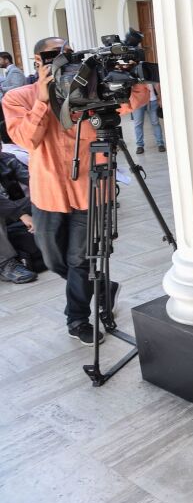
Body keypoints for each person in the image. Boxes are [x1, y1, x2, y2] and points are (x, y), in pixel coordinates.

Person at [2, 37, 148, 343]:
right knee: (54, 261)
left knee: (80, 261)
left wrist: (124, 72)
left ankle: (77, 319)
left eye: (67, 55)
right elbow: (27, 141)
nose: (62, 62)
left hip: (92, 190)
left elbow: (136, 98)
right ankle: (103, 287)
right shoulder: (18, 97)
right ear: (37, 62)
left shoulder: (91, 88)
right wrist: (43, 100)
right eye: (53, 56)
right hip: (48, 195)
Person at [0, 141, 37, 284]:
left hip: (12, 208)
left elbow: (35, 182)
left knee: (43, 200)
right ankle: (5, 264)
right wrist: (22, 215)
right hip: (9, 211)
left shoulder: (7, 159)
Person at [131, 75, 165, 154]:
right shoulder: (132, 70)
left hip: (152, 100)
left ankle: (160, 144)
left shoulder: (148, 70)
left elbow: (156, 84)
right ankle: (139, 146)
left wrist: (160, 98)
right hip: (138, 101)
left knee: (155, 122)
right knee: (138, 124)